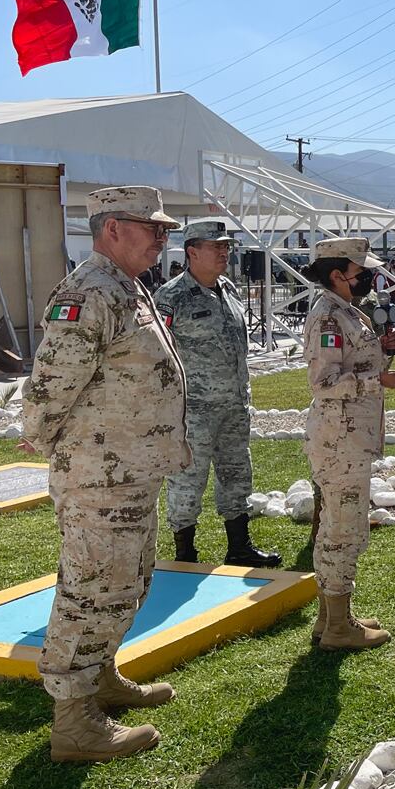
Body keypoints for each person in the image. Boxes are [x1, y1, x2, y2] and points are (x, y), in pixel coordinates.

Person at [21, 186, 188, 762]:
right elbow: (49, 385)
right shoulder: (89, 291)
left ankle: (101, 676)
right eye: (152, 228)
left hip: (130, 470)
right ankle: (73, 723)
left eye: (165, 229)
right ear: (112, 228)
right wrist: (41, 437)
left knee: (127, 582)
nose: (163, 239)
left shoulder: (126, 287)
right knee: (91, 589)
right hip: (100, 475)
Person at [302, 237, 395, 650]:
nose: (367, 277)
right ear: (337, 275)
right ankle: (337, 628)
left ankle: (331, 616)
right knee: (343, 531)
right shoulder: (328, 316)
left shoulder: (346, 312)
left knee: (338, 527)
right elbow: (325, 383)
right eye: (360, 271)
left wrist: (381, 357)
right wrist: (376, 379)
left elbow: (352, 367)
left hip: (349, 436)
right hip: (339, 440)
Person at [156, 221, 282, 568]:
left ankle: (239, 547)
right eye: (216, 247)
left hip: (233, 404)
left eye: (226, 246)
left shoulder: (229, 289)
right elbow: (158, 354)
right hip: (193, 410)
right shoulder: (171, 297)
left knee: (237, 473)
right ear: (192, 252)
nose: (224, 252)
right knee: (187, 480)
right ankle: (185, 554)